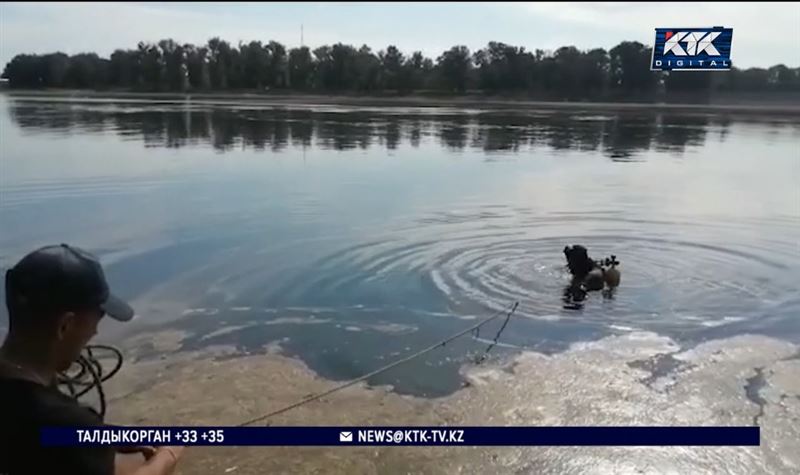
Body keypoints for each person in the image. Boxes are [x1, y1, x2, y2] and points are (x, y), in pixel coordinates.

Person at [0, 244, 185, 475]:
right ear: (64, 326)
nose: (95, 333)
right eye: (97, 320)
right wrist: (168, 455)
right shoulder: (58, 418)